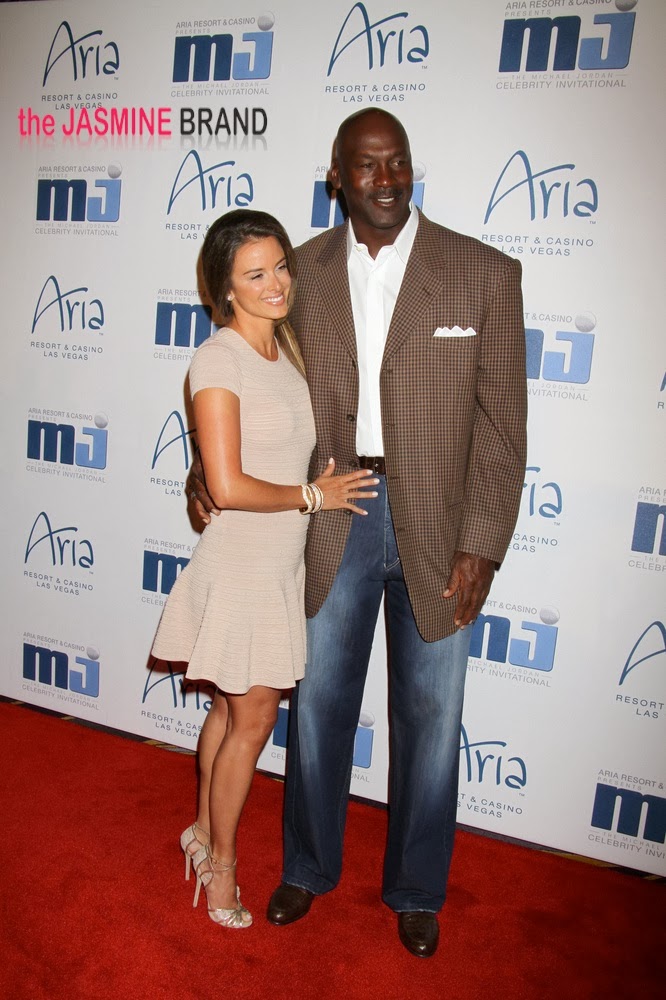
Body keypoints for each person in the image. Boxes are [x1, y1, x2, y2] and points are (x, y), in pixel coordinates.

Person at [190, 110, 527, 956]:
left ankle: (416, 887)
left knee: (431, 717)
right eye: (366, 166)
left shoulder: (484, 273)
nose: (385, 179)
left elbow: (503, 427)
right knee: (321, 705)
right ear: (335, 176)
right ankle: (307, 867)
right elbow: (247, 371)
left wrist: (484, 541)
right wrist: (206, 464)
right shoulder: (296, 273)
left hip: (442, 525)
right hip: (335, 511)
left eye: (397, 162)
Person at [151, 209, 378, 930]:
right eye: (255, 274)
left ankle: (200, 832)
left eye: (281, 266)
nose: (276, 283)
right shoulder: (219, 359)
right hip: (244, 564)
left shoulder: (286, 348)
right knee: (249, 723)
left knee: (229, 712)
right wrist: (314, 496)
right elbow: (225, 484)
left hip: (279, 563)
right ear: (224, 288)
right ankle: (221, 866)